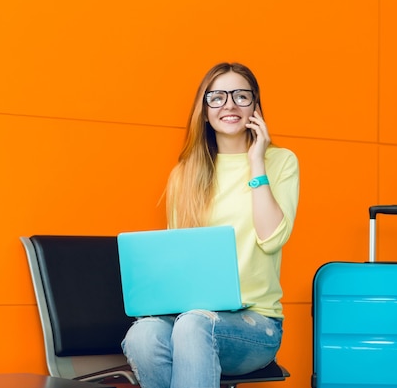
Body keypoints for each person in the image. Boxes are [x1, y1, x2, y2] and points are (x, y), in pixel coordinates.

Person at [121, 62, 300, 388]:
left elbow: (271, 238)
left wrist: (256, 162)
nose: (229, 105)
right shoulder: (184, 174)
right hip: (192, 317)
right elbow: (180, 261)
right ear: (204, 112)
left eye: (240, 96)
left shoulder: (281, 161)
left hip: (257, 323)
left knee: (192, 325)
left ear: (255, 108)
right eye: (216, 97)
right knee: (143, 334)